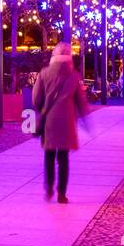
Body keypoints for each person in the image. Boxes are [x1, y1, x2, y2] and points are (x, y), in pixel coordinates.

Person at [31, 41, 89, 202]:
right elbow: (81, 102)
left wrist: (44, 108)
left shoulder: (44, 73)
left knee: (49, 156)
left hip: (49, 121)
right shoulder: (74, 75)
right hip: (67, 123)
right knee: (63, 158)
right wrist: (86, 120)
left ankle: (49, 187)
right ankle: (62, 193)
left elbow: (36, 99)